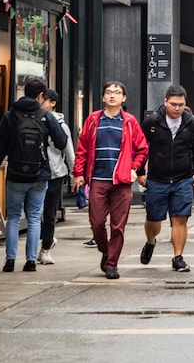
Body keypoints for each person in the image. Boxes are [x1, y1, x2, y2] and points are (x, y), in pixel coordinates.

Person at [0, 78, 68, 273]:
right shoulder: (45, 116)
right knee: (33, 217)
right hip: (40, 175)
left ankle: (10, 260)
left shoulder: (10, 116)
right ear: (41, 96)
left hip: (15, 175)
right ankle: (31, 261)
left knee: (13, 217)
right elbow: (62, 141)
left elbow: (0, 147)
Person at [72, 81, 149, 280]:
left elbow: (142, 148)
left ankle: (112, 263)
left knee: (118, 226)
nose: (112, 96)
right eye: (108, 92)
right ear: (103, 97)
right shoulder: (92, 120)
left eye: (117, 93)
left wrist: (134, 168)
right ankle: (105, 251)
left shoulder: (129, 121)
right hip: (98, 179)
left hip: (122, 182)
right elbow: (82, 148)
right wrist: (78, 173)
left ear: (123, 98)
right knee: (97, 222)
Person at [138, 85, 194, 272]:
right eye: (173, 104)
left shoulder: (192, 123)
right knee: (153, 220)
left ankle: (178, 257)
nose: (177, 108)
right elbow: (142, 148)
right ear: (165, 102)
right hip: (157, 179)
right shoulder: (152, 122)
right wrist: (140, 172)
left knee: (180, 218)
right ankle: (151, 241)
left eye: (181, 105)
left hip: (183, 179)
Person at [38, 89, 74, 265]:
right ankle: (44, 241)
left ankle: (45, 249)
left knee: (50, 214)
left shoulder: (61, 125)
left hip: (55, 174)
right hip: (35, 174)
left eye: (43, 99)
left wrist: (76, 174)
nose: (40, 102)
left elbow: (69, 152)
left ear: (52, 103)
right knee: (34, 213)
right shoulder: (32, 120)